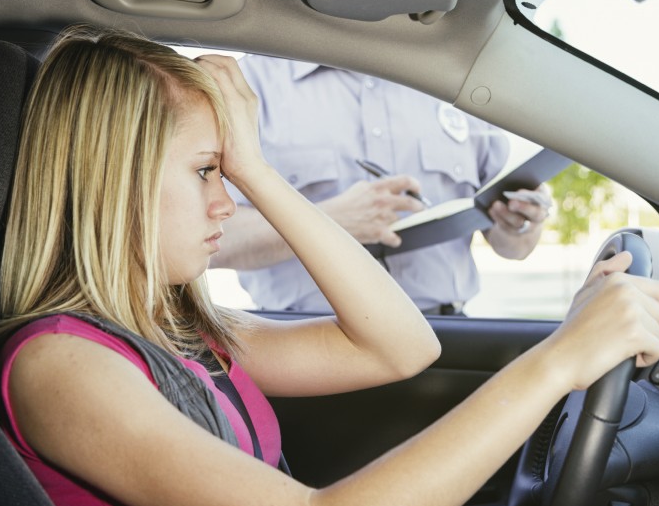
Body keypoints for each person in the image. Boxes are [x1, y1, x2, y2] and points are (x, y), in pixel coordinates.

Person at [0, 25, 659, 506]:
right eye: (208, 170)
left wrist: (257, 168)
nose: (226, 201)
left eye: (228, 170)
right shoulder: (62, 365)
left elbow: (404, 346)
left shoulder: (178, 333)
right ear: (109, 180)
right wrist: (558, 361)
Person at [209, 56, 552, 314]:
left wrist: (520, 225)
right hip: (304, 349)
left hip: (448, 340)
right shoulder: (247, 84)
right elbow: (212, 242)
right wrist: (328, 222)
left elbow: (513, 248)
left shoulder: (459, 83)